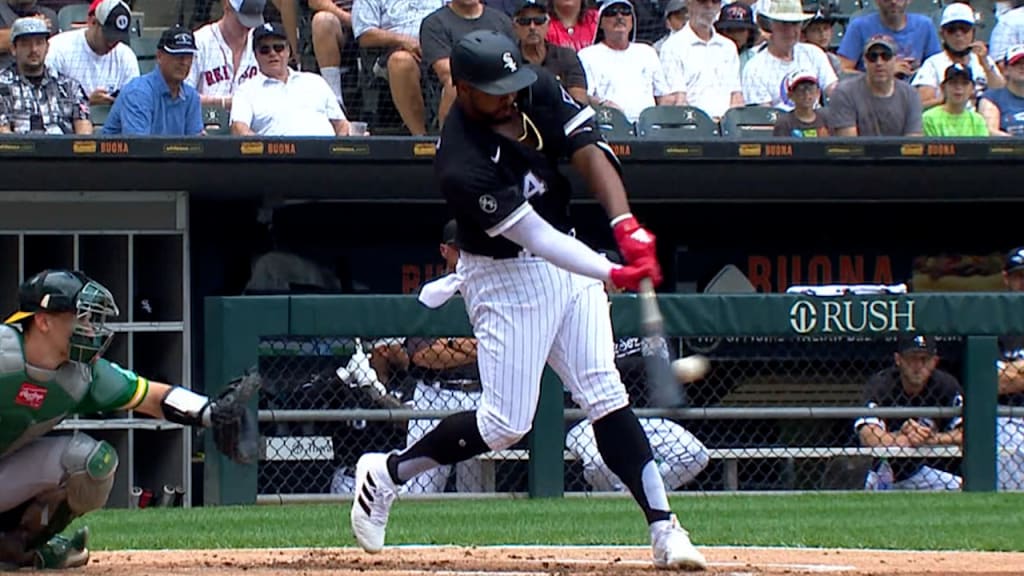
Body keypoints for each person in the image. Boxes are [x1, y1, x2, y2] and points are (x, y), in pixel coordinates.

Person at [349, 30, 706, 570]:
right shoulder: (461, 162)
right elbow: (536, 238)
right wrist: (613, 270)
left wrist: (624, 223)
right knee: (504, 424)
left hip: (570, 261)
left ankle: (664, 528)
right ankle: (388, 473)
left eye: (512, 84)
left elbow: (589, 150)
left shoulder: (530, 85)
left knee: (604, 393)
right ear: (464, 89)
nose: (509, 96)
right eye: (495, 89)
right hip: (504, 278)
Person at [0, 269, 257, 569]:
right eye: (81, 318)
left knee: (90, 462)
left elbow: (151, 395)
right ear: (43, 321)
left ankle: (17, 546)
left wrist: (211, 412)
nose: (91, 329)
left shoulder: (81, 375)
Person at [402, 220, 485, 493]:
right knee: (421, 489)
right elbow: (424, 355)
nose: (465, 254)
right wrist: (477, 346)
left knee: (476, 493)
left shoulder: (491, 293)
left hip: (479, 395)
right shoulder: (428, 294)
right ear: (444, 251)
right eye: (458, 248)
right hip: (434, 395)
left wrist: (449, 345)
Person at [854, 334, 963, 491]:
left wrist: (932, 439)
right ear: (898, 360)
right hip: (875, 471)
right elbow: (869, 437)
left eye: (924, 359)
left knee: (962, 488)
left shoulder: (945, 385)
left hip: (916, 473)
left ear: (935, 362)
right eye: (911, 359)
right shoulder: (881, 384)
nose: (918, 366)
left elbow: (969, 433)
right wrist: (903, 437)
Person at [230, 22, 351, 136]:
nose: (272, 53)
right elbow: (239, 129)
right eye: (265, 50)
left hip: (324, 155)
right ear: (256, 55)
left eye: (278, 48)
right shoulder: (246, 91)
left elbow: (341, 125)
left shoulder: (315, 81)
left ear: (288, 51)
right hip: (277, 156)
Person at [101, 25, 203, 136]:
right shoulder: (138, 93)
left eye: (189, 56)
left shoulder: (191, 97)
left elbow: (196, 147)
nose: (184, 62)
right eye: (177, 55)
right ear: (159, 56)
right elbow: (139, 149)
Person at [995, 247, 1024, 490]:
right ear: (1007, 278)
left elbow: (1009, 376)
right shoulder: (994, 321)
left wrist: (1016, 370)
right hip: (1009, 417)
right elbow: (995, 382)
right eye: (1020, 277)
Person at [921, 63, 989, 137]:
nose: (959, 87)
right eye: (953, 83)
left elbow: (982, 147)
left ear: (972, 88)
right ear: (943, 87)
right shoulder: (929, 118)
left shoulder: (978, 120)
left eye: (964, 83)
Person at [772, 69, 830, 137]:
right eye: (800, 90)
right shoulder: (784, 123)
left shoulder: (826, 117)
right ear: (790, 95)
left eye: (811, 89)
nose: (807, 94)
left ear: (818, 93)